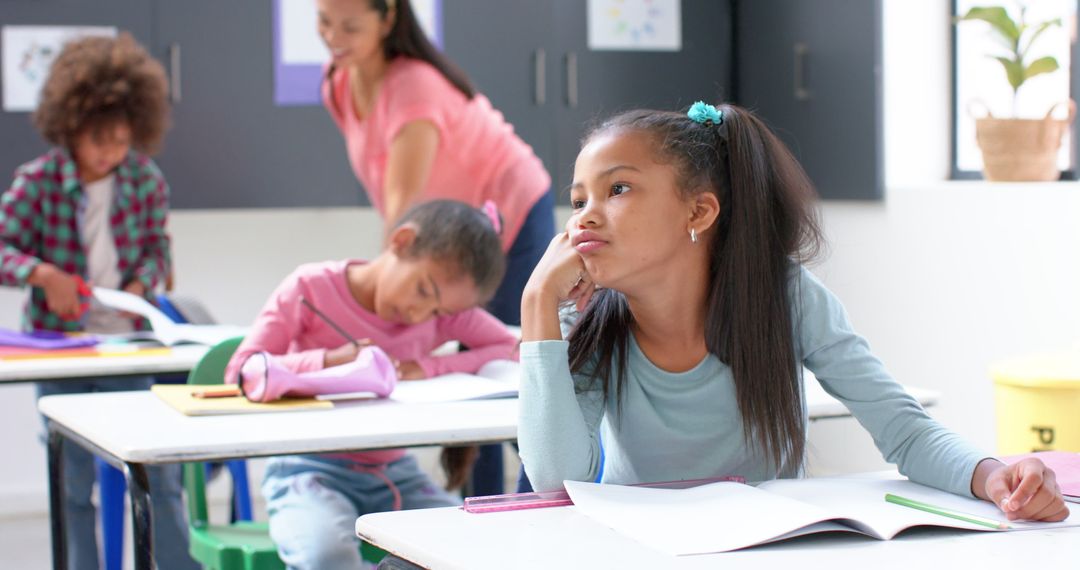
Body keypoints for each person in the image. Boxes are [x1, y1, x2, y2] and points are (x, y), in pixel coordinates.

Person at [517, 102, 1069, 523]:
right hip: (636, 550)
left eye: (617, 188)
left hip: (765, 549)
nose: (583, 219)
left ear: (699, 211)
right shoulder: (585, 317)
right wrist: (537, 303)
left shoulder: (783, 297)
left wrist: (994, 476)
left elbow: (904, 431)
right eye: (580, 198)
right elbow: (557, 479)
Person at [317, 0, 555, 493]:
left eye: (350, 25)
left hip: (508, 214)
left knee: (511, 369)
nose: (333, 37)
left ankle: (545, 493)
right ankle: (481, 510)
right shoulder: (338, 82)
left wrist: (382, 296)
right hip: (443, 238)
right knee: (468, 373)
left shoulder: (415, 86)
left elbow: (404, 205)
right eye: (323, 22)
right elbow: (383, 183)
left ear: (387, 19)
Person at [224, 200, 519, 569]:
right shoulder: (311, 288)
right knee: (326, 556)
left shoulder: (439, 314)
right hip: (306, 469)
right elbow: (241, 370)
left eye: (438, 313)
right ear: (401, 241)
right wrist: (330, 361)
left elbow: (513, 348)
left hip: (393, 471)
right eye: (423, 291)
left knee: (472, 547)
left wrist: (429, 366)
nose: (418, 315)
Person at [0, 34, 198, 568]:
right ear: (69, 127)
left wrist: (141, 288)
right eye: (98, 139)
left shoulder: (144, 180)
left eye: (121, 139)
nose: (111, 151)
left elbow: (157, 250)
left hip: (127, 347)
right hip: (61, 349)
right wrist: (42, 274)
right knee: (71, 486)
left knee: (155, 473)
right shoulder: (37, 183)